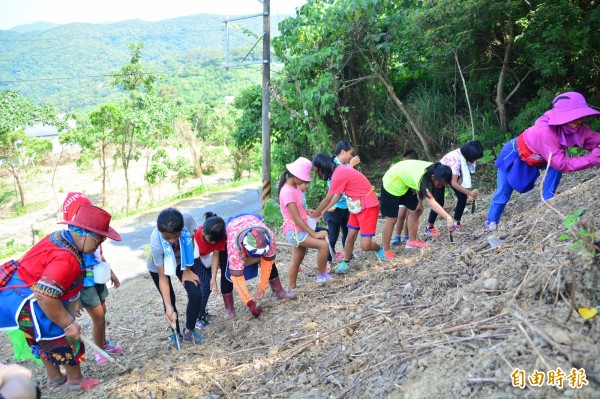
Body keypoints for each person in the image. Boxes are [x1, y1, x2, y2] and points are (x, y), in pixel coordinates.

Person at [0, 204, 121, 391]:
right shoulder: (67, 259)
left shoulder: (60, 237)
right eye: (98, 240)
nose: (99, 245)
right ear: (83, 234)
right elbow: (45, 296)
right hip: (30, 302)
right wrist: (67, 323)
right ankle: (76, 381)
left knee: (42, 339)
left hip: (17, 298)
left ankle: (54, 377)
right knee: (63, 339)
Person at [486, 91, 600, 230]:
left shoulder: (578, 127)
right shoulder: (545, 131)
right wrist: (591, 159)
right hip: (515, 153)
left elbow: (594, 139)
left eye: (580, 117)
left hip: (542, 158)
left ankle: (546, 201)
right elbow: (562, 164)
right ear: (564, 117)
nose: (579, 121)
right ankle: (491, 222)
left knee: (555, 166)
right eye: (575, 118)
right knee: (503, 191)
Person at [62, 192, 123, 364]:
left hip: (97, 279)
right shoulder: (76, 238)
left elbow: (99, 256)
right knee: (99, 319)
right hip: (86, 286)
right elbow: (71, 271)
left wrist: (112, 273)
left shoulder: (94, 233)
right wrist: (77, 299)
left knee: (103, 314)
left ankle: (103, 343)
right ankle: (100, 352)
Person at [311, 152, 388, 273]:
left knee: (365, 246)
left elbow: (327, 199)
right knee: (350, 237)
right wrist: (323, 211)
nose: (319, 173)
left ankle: (379, 249)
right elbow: (337, 196)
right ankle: (346, 262)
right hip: (355, 206)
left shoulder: (339, 173)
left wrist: (315, 214)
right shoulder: (339, 170)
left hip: (368, 205)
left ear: (322, 166)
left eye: (318, 170)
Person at [146, 208, 206, 345]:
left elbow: (190, 241)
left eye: (176, 236)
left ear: (181, 228)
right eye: (167, 237)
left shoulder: (187, 219)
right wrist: (168, 307)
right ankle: (175, 332)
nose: (172, 240)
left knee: (196, 291)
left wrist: (187, 270)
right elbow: (163, 278)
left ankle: (189, 331)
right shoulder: (156, 242)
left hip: (182, 259)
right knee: (169, 299)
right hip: (159, 265)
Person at [226, 214, 295, 318]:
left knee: (270, 261)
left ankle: (279, 291)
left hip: (252, 219)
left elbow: (267, 264)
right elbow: (237, 278)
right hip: (234, 225)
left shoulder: (269, 236)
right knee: (229, 271)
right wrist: (250, 302)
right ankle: (229, 308)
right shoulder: (234, 246)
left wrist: (262, 287)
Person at [279, 157, 330, 289]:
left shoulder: (294, 187)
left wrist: (306, 211)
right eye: (304, 179)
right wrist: (314, 234)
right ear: (295, 175)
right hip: (294, 231)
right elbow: (295, 218)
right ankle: (322, 276)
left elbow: (296, 210)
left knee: (297, 259)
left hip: (298, 229)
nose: (305, 182)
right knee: (323, 245)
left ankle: (291, 287)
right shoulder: (288, 191)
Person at [380, 160, 455, 251]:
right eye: (440, 184)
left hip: (404, 182)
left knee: (416, 211)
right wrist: (448, 217)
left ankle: (412, 242)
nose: (440, 187)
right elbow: (431, 202)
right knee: (392, 219)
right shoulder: (423, 176)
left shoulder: (434, 169)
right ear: (433, 177)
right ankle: (386, 251)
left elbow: (419, 186)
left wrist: (419, 202)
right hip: (391, 183)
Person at [425, 141, 483, 235]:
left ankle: (456, 222)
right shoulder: (456, 160)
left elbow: (461, 175)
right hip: (440, 176)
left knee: (462, 196)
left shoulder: (464, 155)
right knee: (439, 202)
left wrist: (463, 186)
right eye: (473, 158)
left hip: (451, 175)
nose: (474, 160)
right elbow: (454, 183)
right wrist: (470, 193)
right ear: (469, 155)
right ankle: (429, 226)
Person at [324, 141, 361, 264]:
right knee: (333, 236)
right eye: (351, 153)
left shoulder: (344, 164)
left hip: (347, 206)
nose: (352, 156)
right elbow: (337, 184)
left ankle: (347, 256)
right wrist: (351, 166)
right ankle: (328, 261)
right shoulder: (332, 166)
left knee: (347, 232)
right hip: (335, 208)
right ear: (343, 152)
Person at [194, 212, 229, 323]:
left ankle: (201, 313)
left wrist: (214, 277)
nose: (213, 243)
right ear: (204, 231)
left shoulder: (219, 237)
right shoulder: (196, 235)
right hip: (194, 261)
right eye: (210, 240)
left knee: (208, 286)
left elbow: (216, 254)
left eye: (215, 241)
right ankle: (198, 317)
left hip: (206, 261)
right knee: (204, 285)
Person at [391, 150, 418, 245]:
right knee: (401, 214)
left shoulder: (416, 169)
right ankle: (397, 236)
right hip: (401, 194)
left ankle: (407, 235)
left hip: (411, 194)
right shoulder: (400, 168)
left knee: (410, 215)